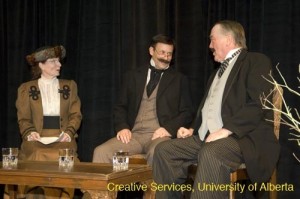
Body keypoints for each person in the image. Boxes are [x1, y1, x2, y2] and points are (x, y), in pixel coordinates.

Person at [153, 20, 280, 199]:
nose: (210, 45)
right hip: (208, 138)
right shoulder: (215, 73)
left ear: (228, 40)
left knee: (211, 152)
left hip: (242, 138)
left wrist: (226, 130)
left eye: (213, 39)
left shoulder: (256, 61)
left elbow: (259, 103)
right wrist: (192, 129)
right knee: (164, 150)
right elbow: (208, 109)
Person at [92, 34, 194, 165]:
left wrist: (168, 129)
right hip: (133, 137)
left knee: (157, 152)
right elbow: (120, 107)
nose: (166, 58)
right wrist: (122, 127)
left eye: (169, 54)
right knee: (101, 151)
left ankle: (154, 186)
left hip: (160, 137)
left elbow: (187, 112)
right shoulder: (132, 76)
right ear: (151, 51)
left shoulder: (179, 79)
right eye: (162, 53)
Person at [14, 45, 82, 199]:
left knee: (65, 155)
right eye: (53, 61)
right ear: (41, 65)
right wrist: (30, 132)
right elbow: (23, 118)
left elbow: (76, 114)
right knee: (38, 153)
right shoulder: (26, 89)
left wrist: (69, 132)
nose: (59, 65)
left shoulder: (69, 86)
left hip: (62, 136)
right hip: (37, 137)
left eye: (59, 61)